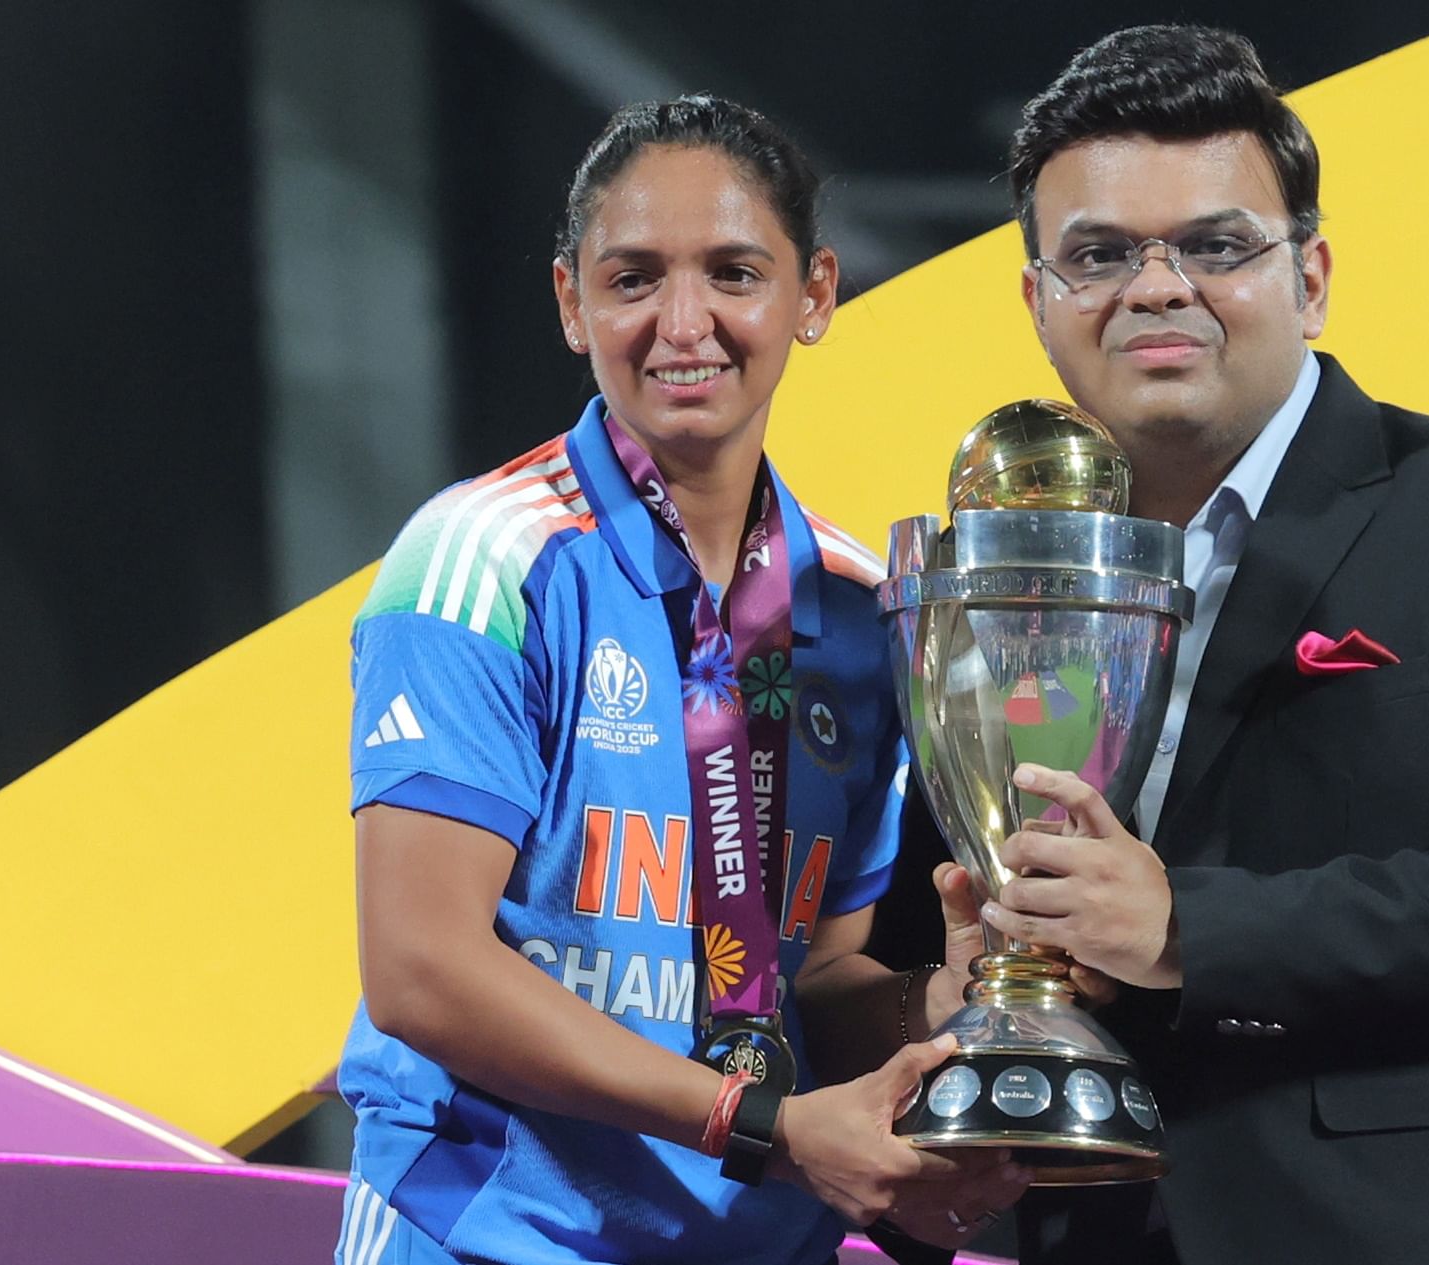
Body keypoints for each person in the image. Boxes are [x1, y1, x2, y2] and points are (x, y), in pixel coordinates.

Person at [871, 25, 1429, 1265]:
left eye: (1216, 245)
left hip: (1417, 1230)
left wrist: (1184, 927)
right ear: (1038, 300)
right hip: (1087, 1225)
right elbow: (915, 923)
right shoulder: (995, 569)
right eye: (1099, 254)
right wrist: (965, 984)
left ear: (1312, 275)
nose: (1156, 287)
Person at [333, 95, 1026, 1265]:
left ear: (814, 295)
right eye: (634, 278)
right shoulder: (482, 559)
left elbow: (810, 976)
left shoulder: (858, 609)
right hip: (489, 1236)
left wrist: (947, 1002)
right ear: (573, 302)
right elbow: (421, 971)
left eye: (734, 272)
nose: (684, 321)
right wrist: (766, 1127)